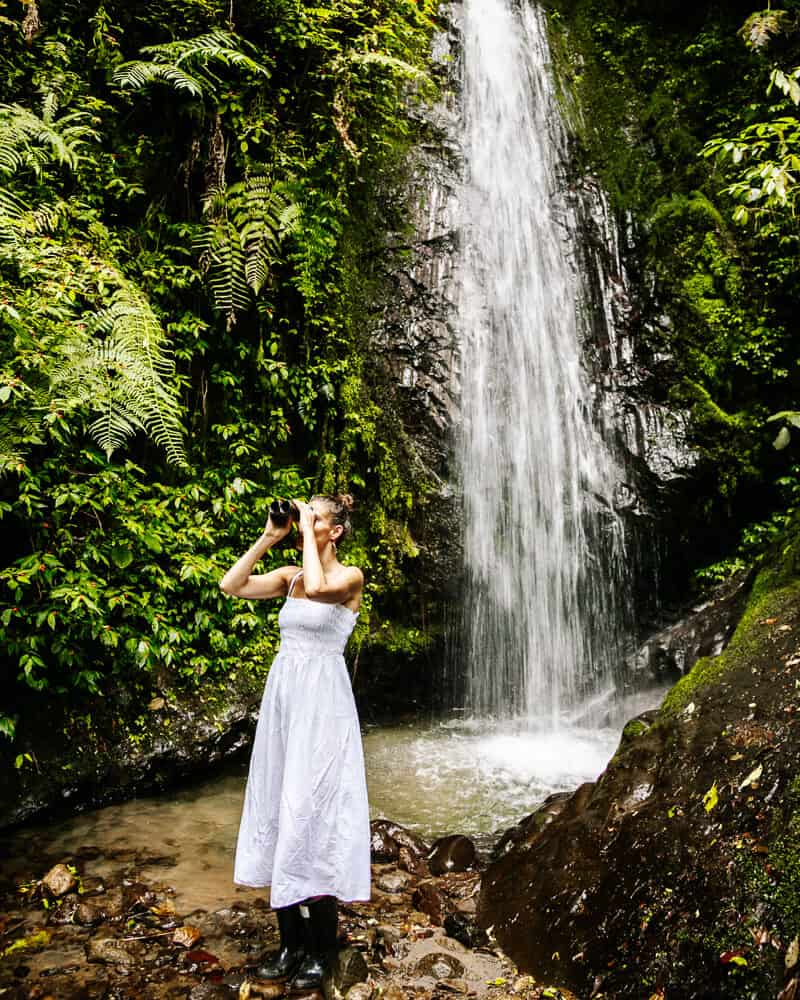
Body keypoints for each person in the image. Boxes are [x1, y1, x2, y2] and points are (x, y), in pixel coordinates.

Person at [219, 494, 370, 989]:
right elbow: (231, 585)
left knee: (314, 811)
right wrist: (272, 535)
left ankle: (323, 947)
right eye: (309, 516)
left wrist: (305, 533)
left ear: (336, 531)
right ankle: (290, 942)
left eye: (318, 517)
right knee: (278, 806)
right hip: (285, 705)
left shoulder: (348, 579)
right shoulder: (291, 578)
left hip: (323, 710)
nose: (309, 522)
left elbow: (323, 586)